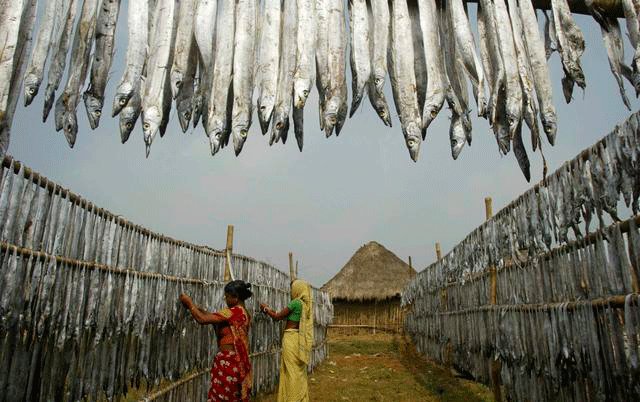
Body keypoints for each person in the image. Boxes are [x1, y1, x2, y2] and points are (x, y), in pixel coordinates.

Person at [179, 280, 253, 402]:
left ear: (236, 297)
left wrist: (189, 303)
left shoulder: (235, 312)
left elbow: (202, 319)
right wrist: (194, 307)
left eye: (227, 297)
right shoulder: (243, 313)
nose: (225, 299)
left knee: (222, 397)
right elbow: (211, 316)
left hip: (229, 362)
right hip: (234, 362)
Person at [260, 279, 314, 402]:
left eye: (292, 289)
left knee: (291, 371)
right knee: (298, 371)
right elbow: (279, 315)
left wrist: (265, 308)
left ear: (297, 290)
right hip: (299, 340)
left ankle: (292, 398)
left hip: (291, 339)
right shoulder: (306, 306)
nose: (291, 292)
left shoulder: (295, 303)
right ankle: (300, 397)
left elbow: (277, 317)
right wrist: (270, 310)